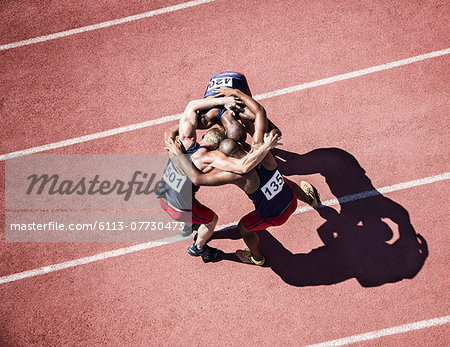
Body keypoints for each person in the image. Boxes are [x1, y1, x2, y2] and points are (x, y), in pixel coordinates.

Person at [166, 136, 319, 266]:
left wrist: (178, 154)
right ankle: (310, 200)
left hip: (275, 216)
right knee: (285, 182)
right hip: (291, 200)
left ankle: (257, 258)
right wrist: (266, 144)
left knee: (244, 227)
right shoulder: (264, 154)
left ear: (227, 159)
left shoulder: (237, 176)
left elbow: (198, 178)